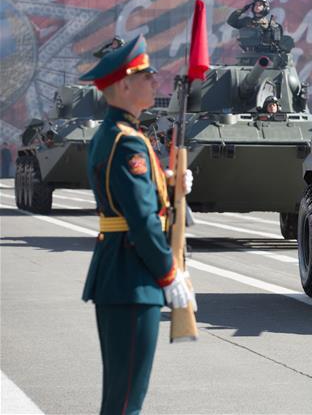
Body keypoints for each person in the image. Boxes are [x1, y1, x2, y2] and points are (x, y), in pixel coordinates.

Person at [78, 35, 195, 415]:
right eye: (147, 75)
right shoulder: (126, 142)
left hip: (122, 273)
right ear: (125, 84)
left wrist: (171, 182)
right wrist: (168, 274)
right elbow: (142, 219)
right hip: (132, 278)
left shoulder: (122, 135)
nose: (155, 80)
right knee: (126, 401)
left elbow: (136, 195)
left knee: (121, 395)